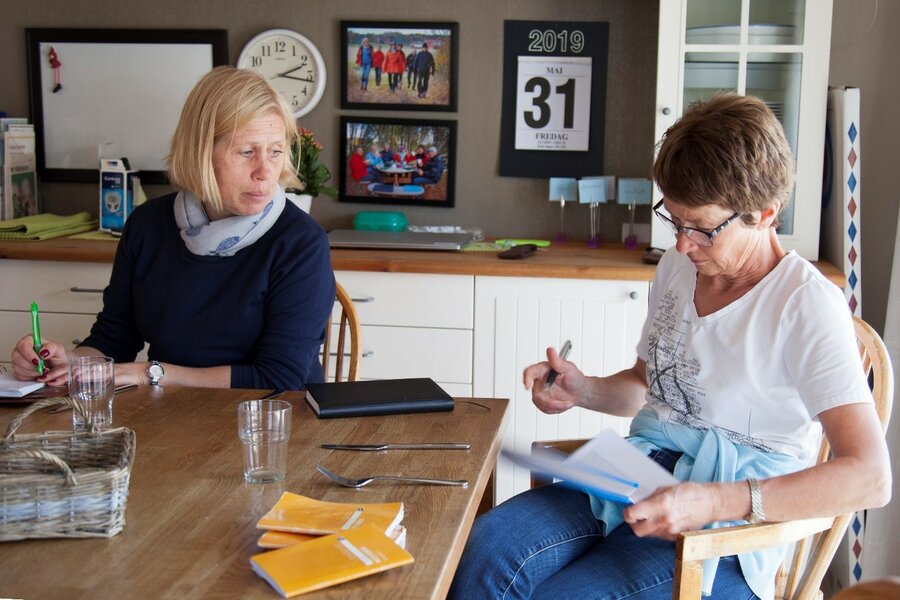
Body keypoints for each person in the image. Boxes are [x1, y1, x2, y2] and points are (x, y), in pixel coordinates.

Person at [449, 94, 891, 600]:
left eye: (701, 228)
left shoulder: (805, 305)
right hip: (636, 471)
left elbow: (870, 478)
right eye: (674, 221)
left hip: (728, 525)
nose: (682, 244)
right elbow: (646, 387)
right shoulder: (679, 267)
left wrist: (709, 503)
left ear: (765, 213)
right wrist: (583, 389)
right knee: (483, 551)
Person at [10, 66, 336, 391]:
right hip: (169, 416)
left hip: (269, 424)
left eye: (276, 151)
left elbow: (279, 379)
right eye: (247, 152)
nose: (265, 171)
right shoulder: (147, 226)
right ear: (200, 152)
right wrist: (67, 362)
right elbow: (115, 338)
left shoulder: (300, 243)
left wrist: (150, 372)